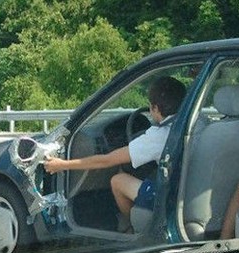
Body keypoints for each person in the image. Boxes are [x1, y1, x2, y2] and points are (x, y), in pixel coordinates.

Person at [44, 76, 187, 228]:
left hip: (169, 197)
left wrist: (62, 164)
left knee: (117, 180)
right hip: (183, 190)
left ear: (156, 108)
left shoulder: (160, 135)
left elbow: (106, 161)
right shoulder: (195, 122)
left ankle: (132, 230)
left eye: (151, 107)